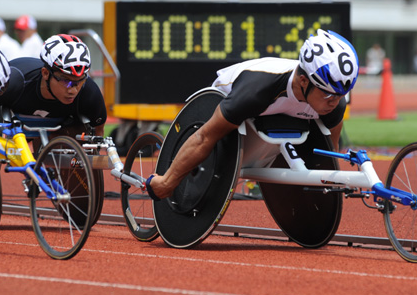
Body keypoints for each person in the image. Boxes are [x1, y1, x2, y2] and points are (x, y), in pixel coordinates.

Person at [147, 29, 358, 200]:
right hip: (235, 105)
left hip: (281, 111)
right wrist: (166, 182)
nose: (336, 101)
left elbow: (330, 153)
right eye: (329, 94)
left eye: (342, 95)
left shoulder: (332, 101)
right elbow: (204, 136)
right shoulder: (256, 91)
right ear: (304, 82)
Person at [0, 34, 107, 143]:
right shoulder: (13, 80)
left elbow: (98, 132)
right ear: (45, 73)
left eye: (80, 80)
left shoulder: (89, 92)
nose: (73, 90)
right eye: (66, 80)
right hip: (11, 123)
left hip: (60, 128)